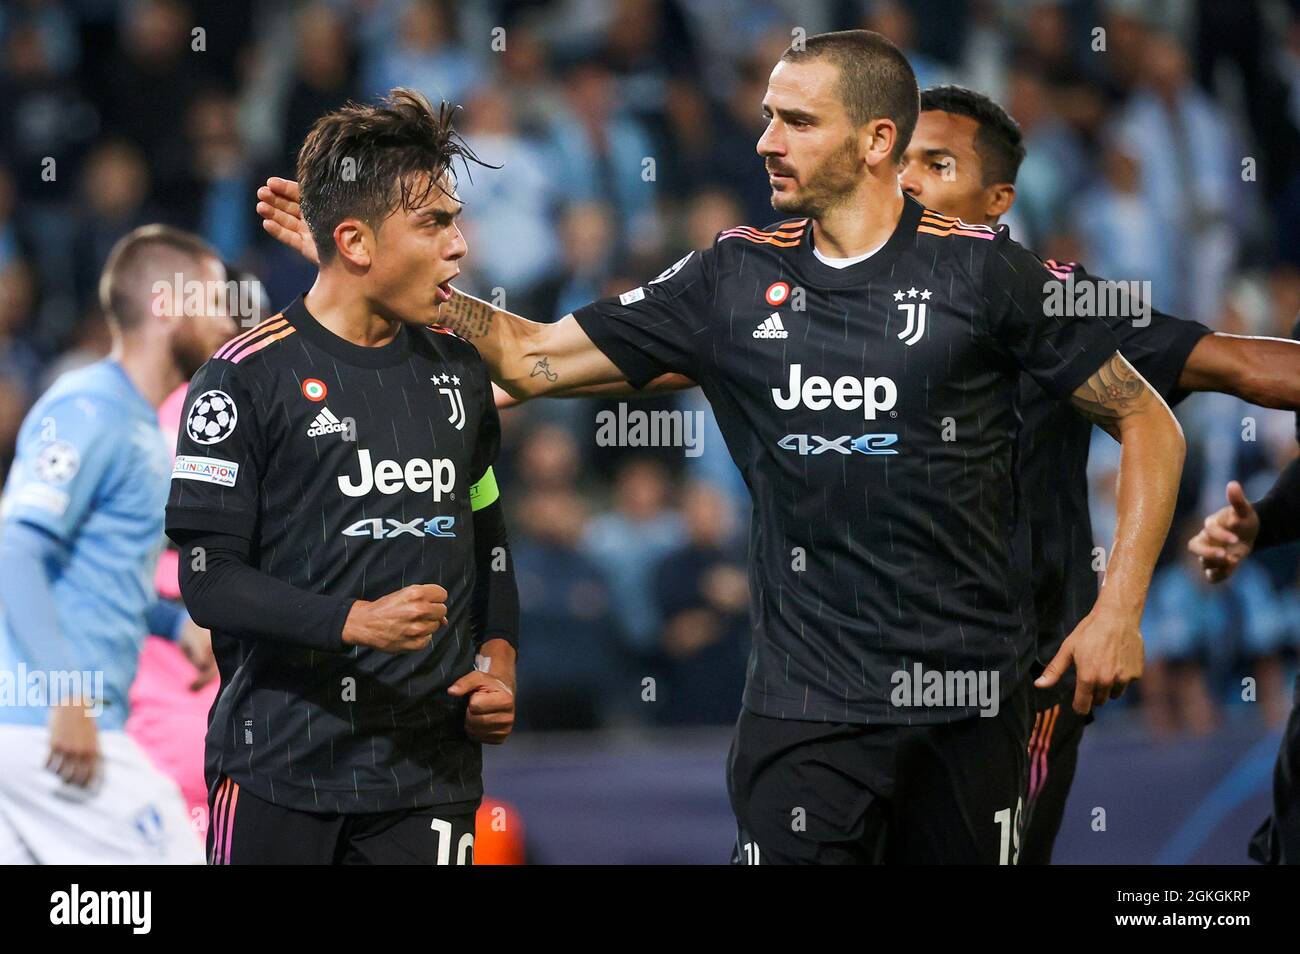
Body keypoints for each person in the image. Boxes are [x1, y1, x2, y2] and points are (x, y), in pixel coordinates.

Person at [260, 32, 1184, 864]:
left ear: (874, 143)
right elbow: (535, 360)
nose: (766, 141)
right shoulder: (731, 279)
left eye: (796, 121)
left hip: (970, 713)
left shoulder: (989, 274)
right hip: (804, 713)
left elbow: (1148, 418)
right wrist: (378, 265)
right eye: (767, 117)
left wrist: (1120, 609)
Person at [898, 84, 1300, 862]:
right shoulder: (822, 292)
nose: (906, 180)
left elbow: (1244, 366)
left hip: (1017, 681)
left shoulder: (1056, 301)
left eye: (936, 164)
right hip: (858, 671)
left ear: (996, 201)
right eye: (899, 161)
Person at [167, 89, 519, 865]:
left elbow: (488, 542)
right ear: (355, 242)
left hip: (430, 777)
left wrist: (499, 659)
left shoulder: (458, 372)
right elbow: (208, 579)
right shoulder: (243, 380)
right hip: (279, 770)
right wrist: (352, 621)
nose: (459, 246)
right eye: (433, 224)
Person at [0, 224, 229, 863]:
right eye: (212, 300)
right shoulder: (89, 408)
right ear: (165, 306)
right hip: (53, 729)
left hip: (34, 736)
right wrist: (69, 697)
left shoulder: (137, 426)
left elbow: (95, 572)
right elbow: (16, 551)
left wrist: (171, 621)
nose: (226, 322)